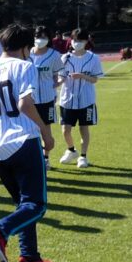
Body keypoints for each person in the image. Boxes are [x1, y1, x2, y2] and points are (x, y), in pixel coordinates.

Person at [0, 24, 55, 262]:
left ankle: (29, 258)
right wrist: (45, 131)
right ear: (25, 47)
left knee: (23, 205)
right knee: (36, 206)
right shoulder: (25, 66)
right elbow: (24, 103)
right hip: (22, 140)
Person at [57, 28, 104, 168]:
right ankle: (71, 150)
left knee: (84, 128)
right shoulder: (64, 58)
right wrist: (57, 82)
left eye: (80, 40)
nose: (77, 43)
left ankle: (83, 156)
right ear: (71, 40)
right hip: (67, 100)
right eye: (75, 40)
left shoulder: (93, 58)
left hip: (86, 100)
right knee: (65, 130)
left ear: (86, 41)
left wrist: (82, 76)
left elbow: (95, 79)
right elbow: (61, 77)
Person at [30, 26, 62, 169]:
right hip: (28, 99)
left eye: (43, 37)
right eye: (38, 36)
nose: (40, 40)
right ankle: (32, 157)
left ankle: (46, 158)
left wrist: (57, 83)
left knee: (46, 129)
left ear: (48, 39)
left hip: (47, 99)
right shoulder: (27, 53)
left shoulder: (54, 55)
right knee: (30, 129)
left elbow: (60, 73)